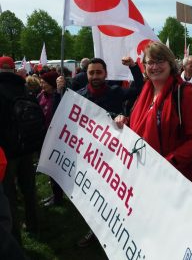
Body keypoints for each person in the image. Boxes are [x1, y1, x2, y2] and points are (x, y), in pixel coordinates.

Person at [56, 56, 144, 247]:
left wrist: (134, 67)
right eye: (91, 72)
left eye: (99, 72)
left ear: (105, 74)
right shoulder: (78, 96)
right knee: (93, 196)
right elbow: (62, 115)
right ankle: (94, 231)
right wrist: (59, 91)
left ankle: (114, 230)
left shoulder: (116, 92)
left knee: (112, 196)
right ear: (86, 74)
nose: (95, 76)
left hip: (113, 156)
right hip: (89, 156)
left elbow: (140, 88)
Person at [116, 42, 192, 187]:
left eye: (160, 61)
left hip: (177, 179)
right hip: (144, 175)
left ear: (170, 63)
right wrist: (125, 121)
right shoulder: (144, 93)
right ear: (145, 66)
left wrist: (168, 163)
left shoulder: (186, 94)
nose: (154, 67)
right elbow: (142, 124)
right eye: (150, 62)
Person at [0, 56, 38, 243]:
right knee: (29, 188)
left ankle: (15, 236)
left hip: (7, 151)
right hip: (27, 146)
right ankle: (33, 223)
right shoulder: (23, 86)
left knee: (9, 194)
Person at [38, 71, 64, 207]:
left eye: (45, 82)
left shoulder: (59, 96)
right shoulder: (41, 96)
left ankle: (58, 196)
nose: (41, 84)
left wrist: (60, 92)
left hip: (56, 138)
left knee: (55, 168)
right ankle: (55, 194)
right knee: (49, 168)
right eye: (41, 81)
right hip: (44, 137)